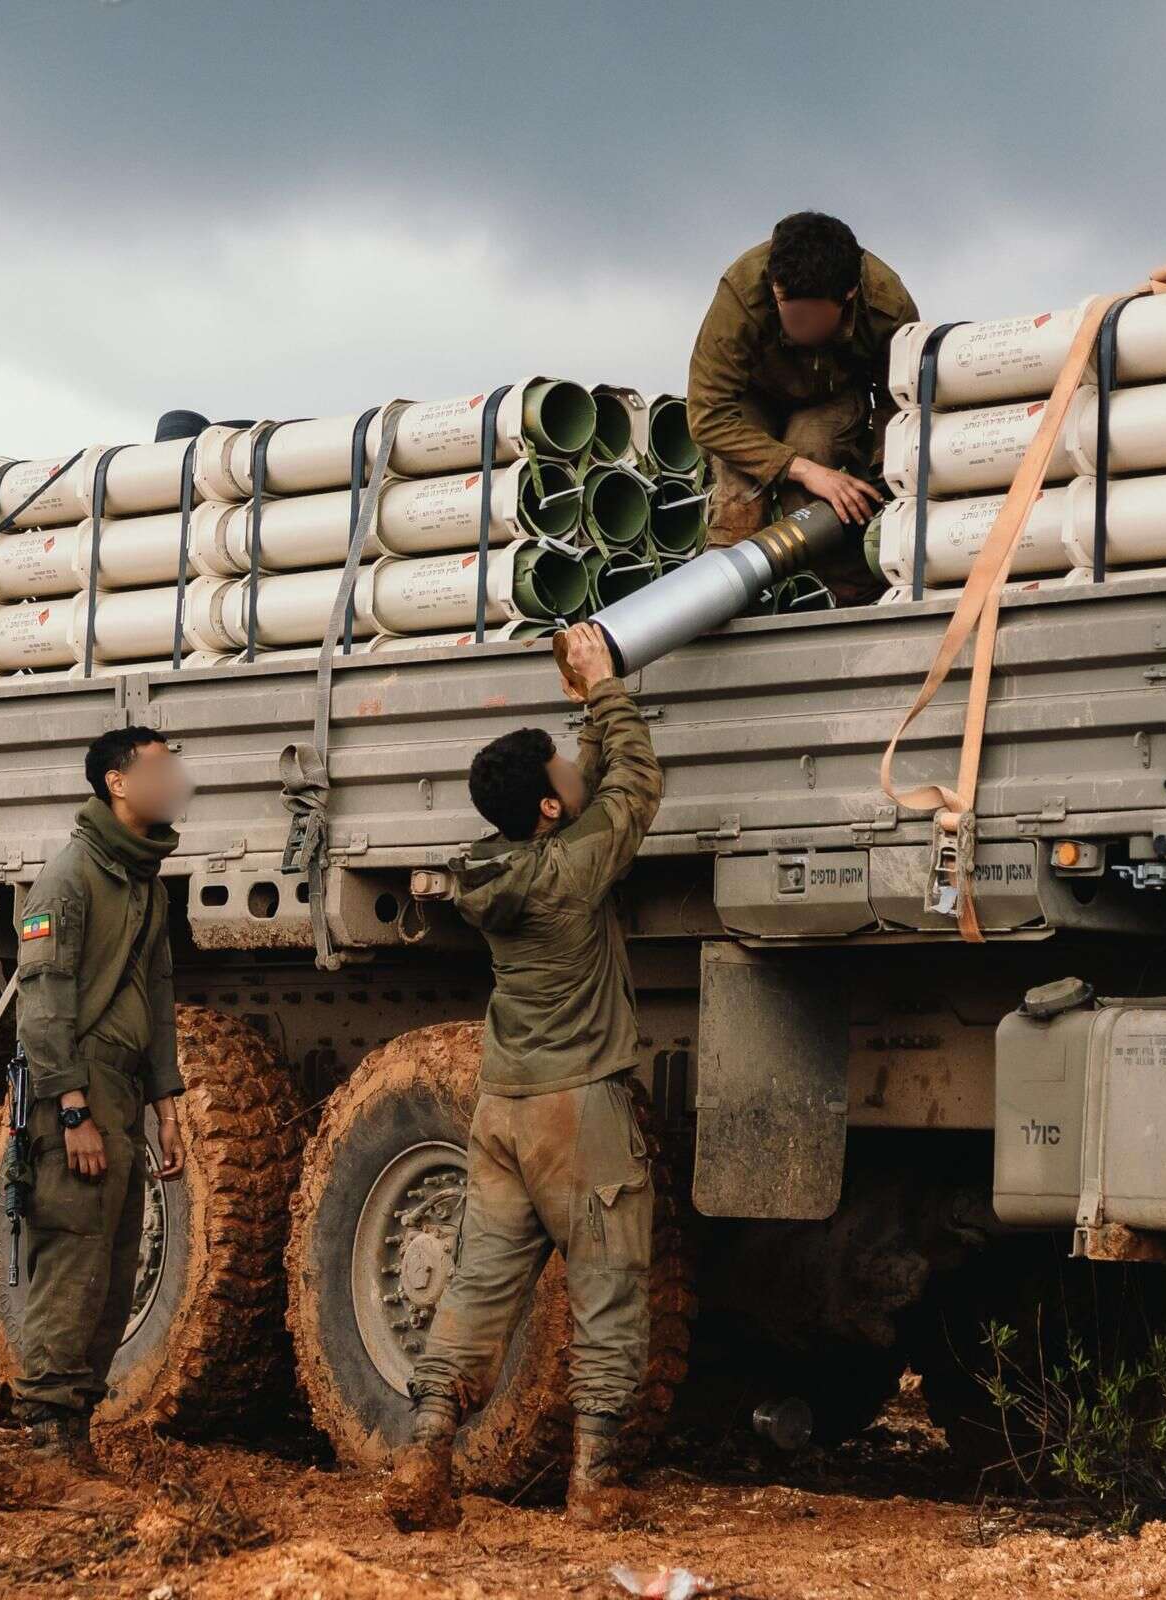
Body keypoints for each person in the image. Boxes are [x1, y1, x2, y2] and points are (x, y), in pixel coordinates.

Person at [385, 622, 664, 1533]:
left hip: (503, 1107)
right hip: (577, 1110)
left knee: (477, 1286)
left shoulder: (499, 866)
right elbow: (632, 792)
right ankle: (595, 1481)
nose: (574, 782)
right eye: (562, 777)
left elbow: (584, 799)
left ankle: (426, 1455)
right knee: (607, 1281)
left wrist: (580, 716)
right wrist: (606, 690)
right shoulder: (572, 873)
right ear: (548, 809)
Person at [6, 725, 191, 1476]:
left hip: (122, 1092)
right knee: (74, 1257)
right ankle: (44, 1441)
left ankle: (72, 1433)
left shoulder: (141, 878)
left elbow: (159, 996)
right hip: (73, 1090)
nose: (174, 780)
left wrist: (167, 1098)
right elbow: (42, 1004)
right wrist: (73, 1109)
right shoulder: (71, 876)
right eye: (159, 768)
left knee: (115, 1265)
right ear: (118, 783)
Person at [687, 211, 919, 601]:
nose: (794, 323)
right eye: (782, 304)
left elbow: (902, 399)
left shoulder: (887, 304)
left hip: (835, 397)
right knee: (740, 497)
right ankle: (718, 613)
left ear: (848, 295)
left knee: (820, 487)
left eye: (808, 316)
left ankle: (856, 603)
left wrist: (887, 473)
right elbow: (707, 416)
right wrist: (801, 469)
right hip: (751, 398)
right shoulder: (742, 291)